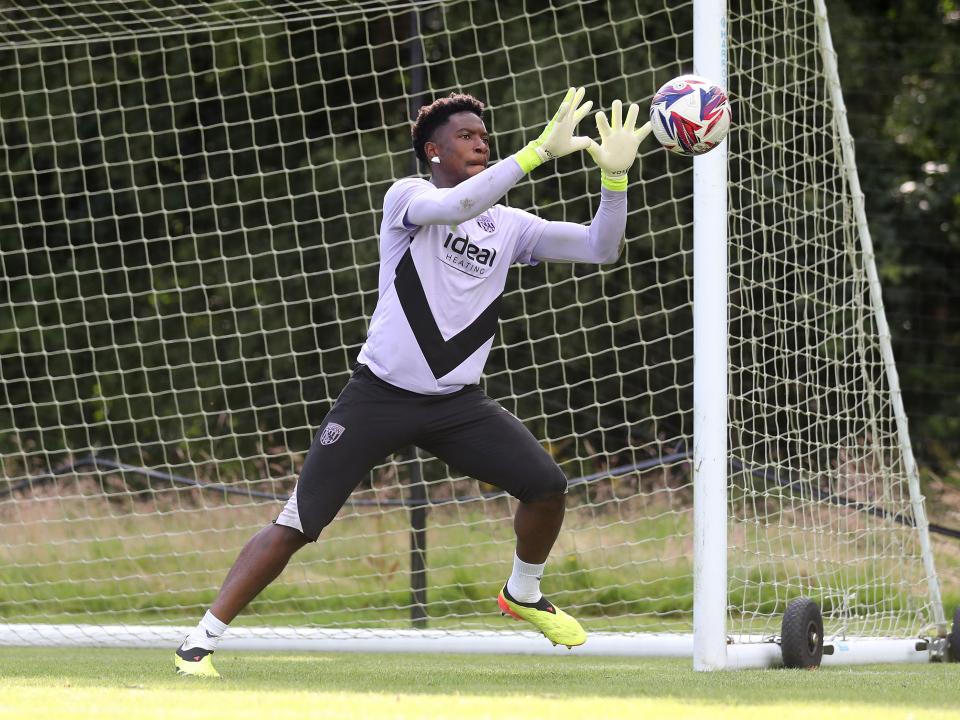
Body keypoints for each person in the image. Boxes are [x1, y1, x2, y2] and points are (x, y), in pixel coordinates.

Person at [175, 87, 652, 677]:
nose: (480, 143)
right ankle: (199, 642)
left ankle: (523, 592)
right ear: (433, 151)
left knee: (547, 486)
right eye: (465, 136)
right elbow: (458, 206)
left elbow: (601, 248)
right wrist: (535, 153)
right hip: (378, 397)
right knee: (298, 524)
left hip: (456, 406)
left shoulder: (510, 226)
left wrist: (615, 179)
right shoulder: (409, 197)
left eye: (484, 137)